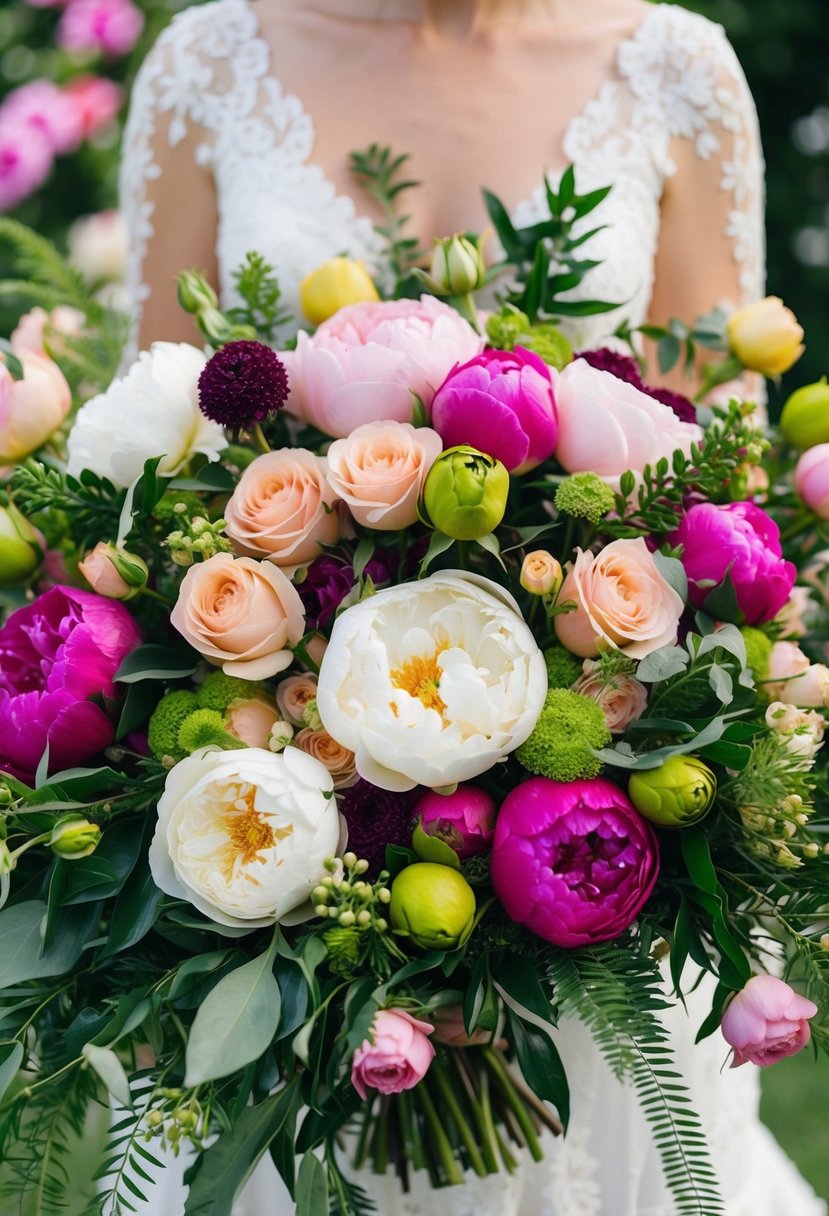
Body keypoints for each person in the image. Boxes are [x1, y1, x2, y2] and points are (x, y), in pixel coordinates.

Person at [117, 2, 824, 1213]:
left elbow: (719, 486)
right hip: (291, 839)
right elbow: (154, 454)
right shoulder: (207, 62)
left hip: (599, 837)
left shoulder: (674, 67)